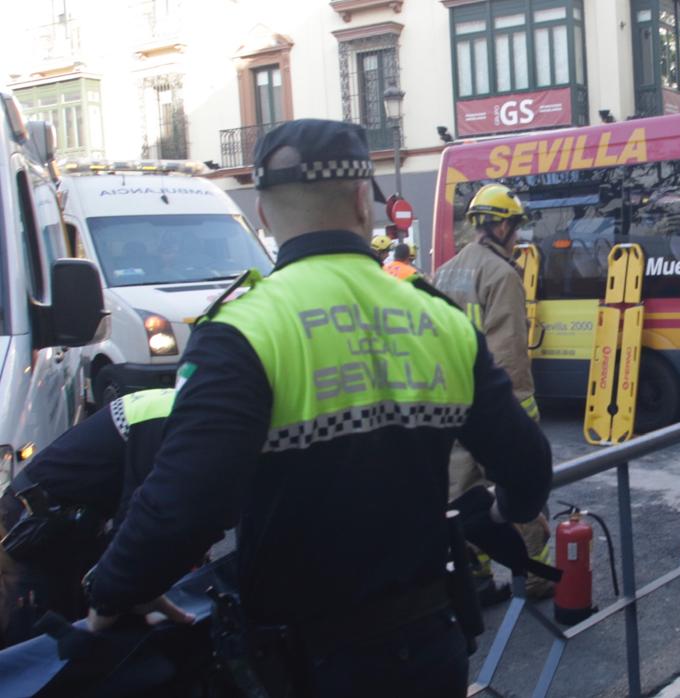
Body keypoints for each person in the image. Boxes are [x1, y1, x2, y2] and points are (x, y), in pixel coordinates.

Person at [80, 119, 553, 697]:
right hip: (428, 646)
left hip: (300, 660)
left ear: (260, 211)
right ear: (363, 202)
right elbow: (526, 463)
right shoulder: (438, 317)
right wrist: (505, 512)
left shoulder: (242, 329)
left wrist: (114, 590)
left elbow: (185, 500)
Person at [434, 183, 552, 601]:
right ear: (501, 227)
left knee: (460, 498)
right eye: (516, 226)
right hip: (488, 408)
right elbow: (508, 357)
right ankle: (540, 577)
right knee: (519, 490)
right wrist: (523, 423)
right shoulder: (501, 274)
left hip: (450, 409)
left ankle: (476, 579)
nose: (518, 236)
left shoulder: (445, 271)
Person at [0, 389, 174, 648]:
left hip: (66, 523)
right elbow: (137, 526)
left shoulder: (172, 407)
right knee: (29, 647)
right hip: (33, 529)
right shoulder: (166, 423)